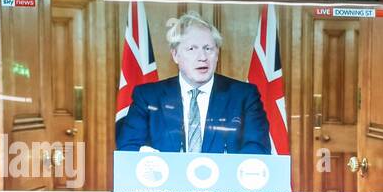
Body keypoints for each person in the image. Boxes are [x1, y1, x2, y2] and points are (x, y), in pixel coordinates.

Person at [115, 12, 270, 154]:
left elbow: (257, 149)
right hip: (166, 183)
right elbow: (129, 147)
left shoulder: (244, 96)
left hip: (225, 184)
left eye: (208, 48)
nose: (202, 57)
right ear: (175, 55)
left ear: (217, 54)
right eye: (191, 49)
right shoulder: (148, 97)